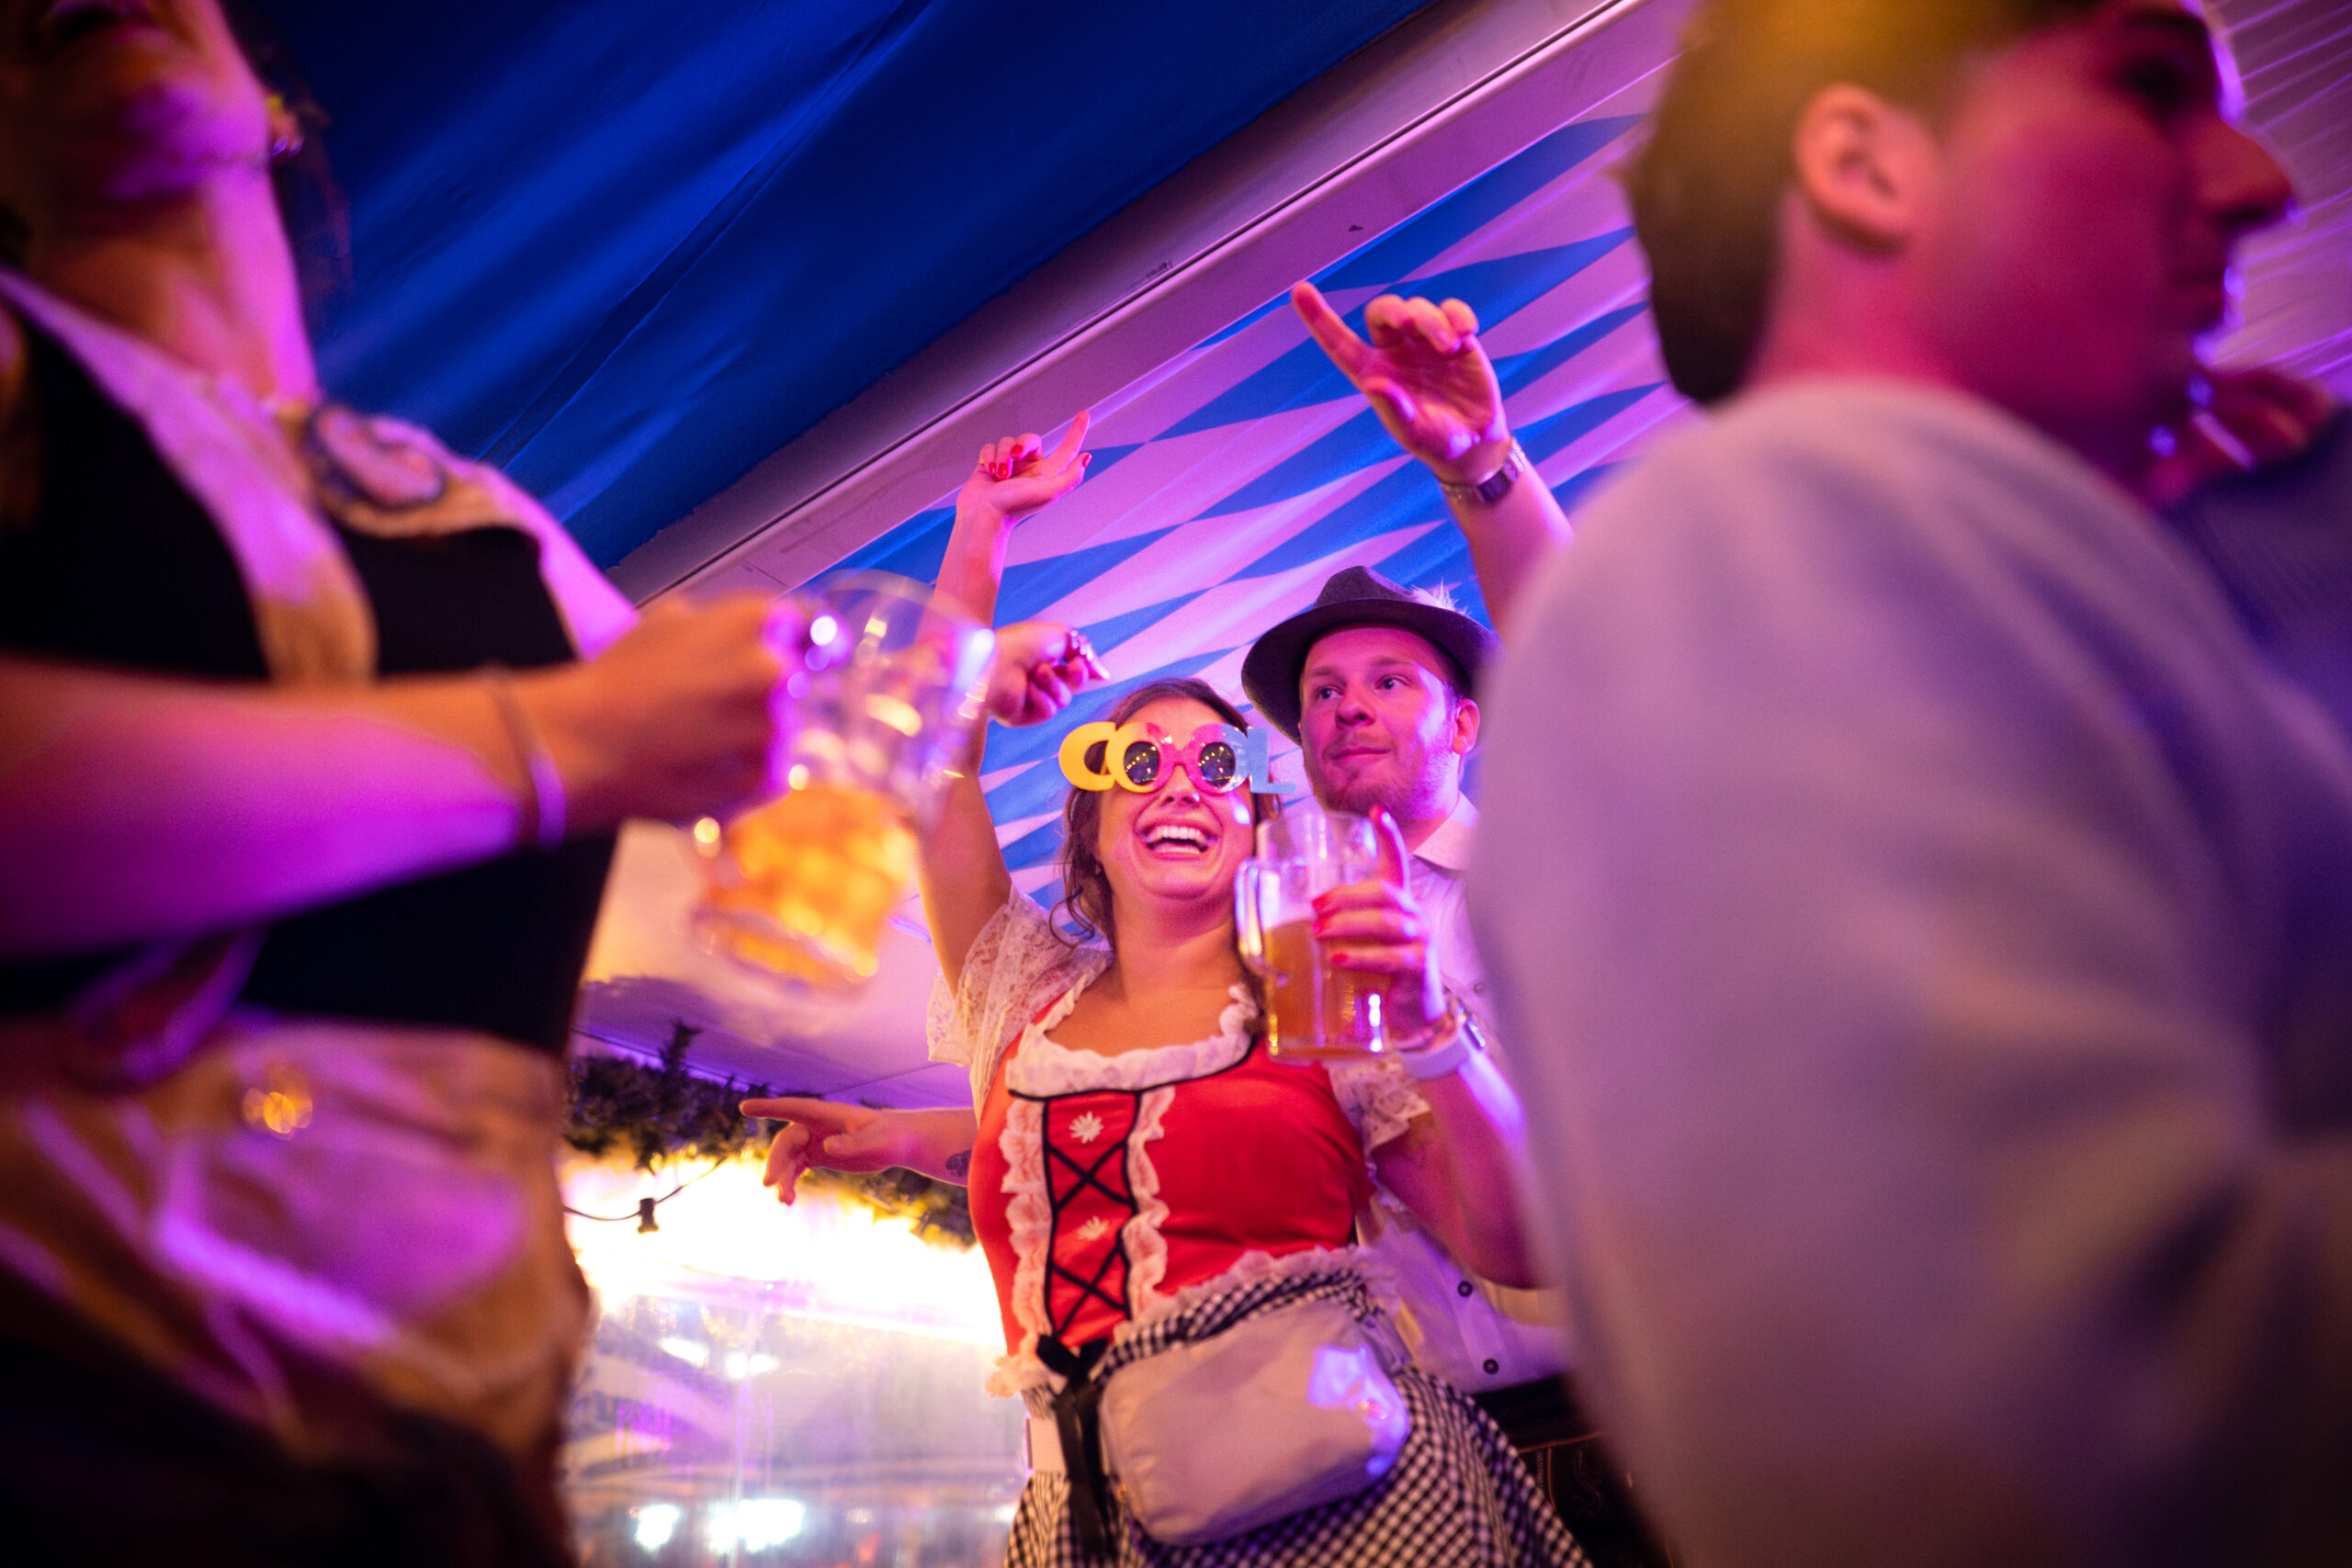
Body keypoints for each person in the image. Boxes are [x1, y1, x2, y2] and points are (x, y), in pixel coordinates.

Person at [1469, 0, 2352, 1563]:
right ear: (1866, 163)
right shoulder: (1752, 535)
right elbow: (2042, 1431)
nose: (2255, 180)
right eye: (2153, 85)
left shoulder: (1955, 571)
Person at [0, 4, 809, 1559]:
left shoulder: (474, 514)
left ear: (277, 101)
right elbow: (624, 719)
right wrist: (557, 743)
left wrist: (966, 631)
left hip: (460, 1469)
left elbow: (760, 740)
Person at [746, 427, 1582, 1566]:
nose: (1181, 785)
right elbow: (936, 764)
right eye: (1138, 764)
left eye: (1218, 767)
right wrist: (981, 529)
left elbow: (1515, 1249)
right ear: (1091, 826)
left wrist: (1435, 1035)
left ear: (1256, 827)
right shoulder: (1021, 1000)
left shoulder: (1312, 1004)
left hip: (1346, 1509)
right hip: (1092, 1524)